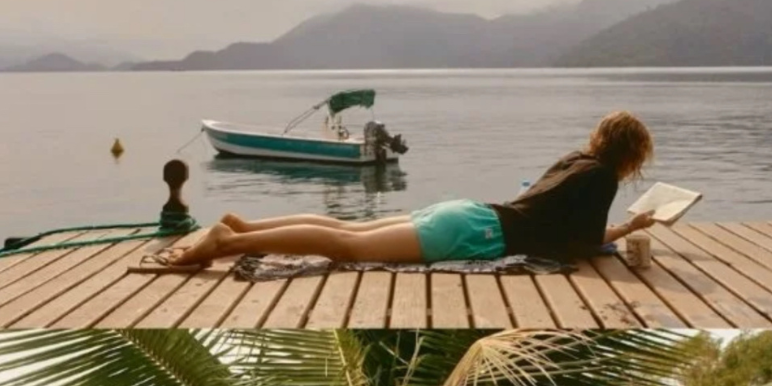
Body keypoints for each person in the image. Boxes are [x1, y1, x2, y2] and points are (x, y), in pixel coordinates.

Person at [163, 112, 657, 270]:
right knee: (348, 247)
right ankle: (226, 244)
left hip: (470, 211)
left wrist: (626, 226)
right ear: (630, 153)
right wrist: (629, 228)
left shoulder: (578, 160)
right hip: (477, 236)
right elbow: (589, 240)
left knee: (346, 228)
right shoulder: (602, 177)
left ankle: (244, 227)